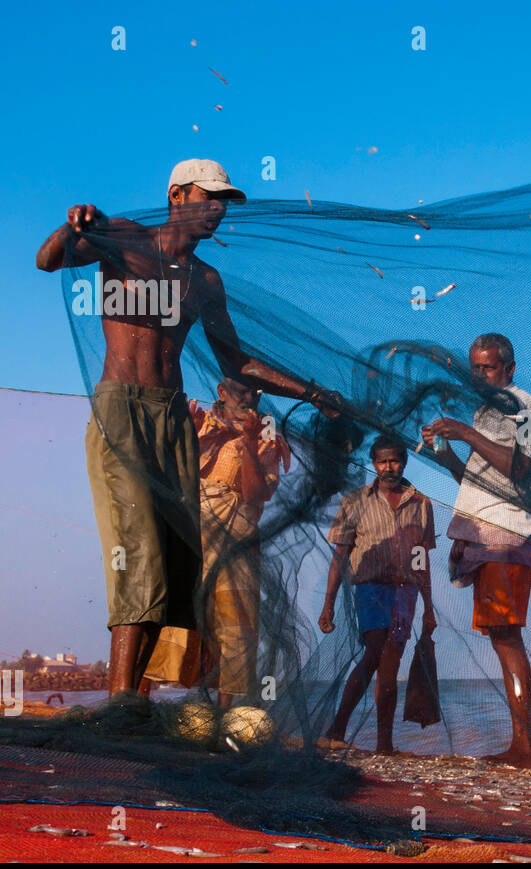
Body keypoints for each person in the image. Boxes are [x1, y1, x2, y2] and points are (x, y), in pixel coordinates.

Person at [36, 159, 342, 697]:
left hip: (174, 416)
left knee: (181, 559)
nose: (218, 209)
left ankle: (143, 698)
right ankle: (120, 706)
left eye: (225, 201)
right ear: (177, 195)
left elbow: (238, 364)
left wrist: (314, 392)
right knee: (138, 550)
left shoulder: (204, 280)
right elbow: (48, 261)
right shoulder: (125, 240)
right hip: (122, 411)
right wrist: (74, 225)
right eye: (210, 196)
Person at [422, 333, 531, 769]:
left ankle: (523, 750)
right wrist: (447, 451)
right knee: (500, 635)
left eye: (487, 367)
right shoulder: (484, 411)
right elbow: (479, 484)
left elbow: (521, 469)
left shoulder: (525, 407)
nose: (478, 374)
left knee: (508, 636)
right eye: (474, 367)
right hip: (485, 536)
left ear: (509, 369)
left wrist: (466, 432)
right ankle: (520, 746)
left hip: (507, 538)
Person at [142, 376, 290, 707]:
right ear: (222, 393)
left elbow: (256, 493)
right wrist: (186, 437)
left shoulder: (266, 433)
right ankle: (139, 702)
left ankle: (223, 711)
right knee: (176, 610)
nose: (248, 399)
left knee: (235, 618)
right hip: (194, 530)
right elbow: (171, 476)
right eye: (241, 391)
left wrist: (249, 443)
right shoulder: (199, 422)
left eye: (254, 393)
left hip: (238, 533)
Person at [319, 434, 437, 754]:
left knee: (391, 663)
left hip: (406, 592)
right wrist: (327, 604)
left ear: (405, 461)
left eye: (395, 460)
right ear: (373, 463)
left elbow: (421, 561)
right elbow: (340, 556)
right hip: (370, 588)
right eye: (382, 461)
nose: (389, 467)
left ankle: (384, 744)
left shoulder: (422, 503)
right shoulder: (354, 501)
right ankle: (337, 728)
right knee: (373, 649)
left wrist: (429, 607)